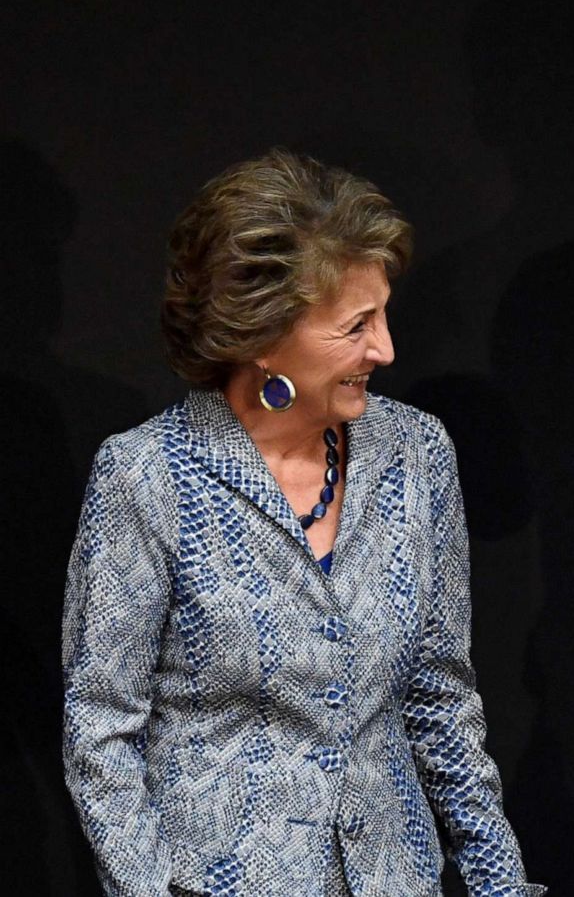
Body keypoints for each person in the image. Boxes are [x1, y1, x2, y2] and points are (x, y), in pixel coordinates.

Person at [61, 149, 545, 897]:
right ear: (260, 336)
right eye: (357, 326)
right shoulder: (145, 476)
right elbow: (101, 729)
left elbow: (441, 699)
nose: (385, 349)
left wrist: (501, 887)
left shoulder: (416, 453)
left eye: (384, 314)